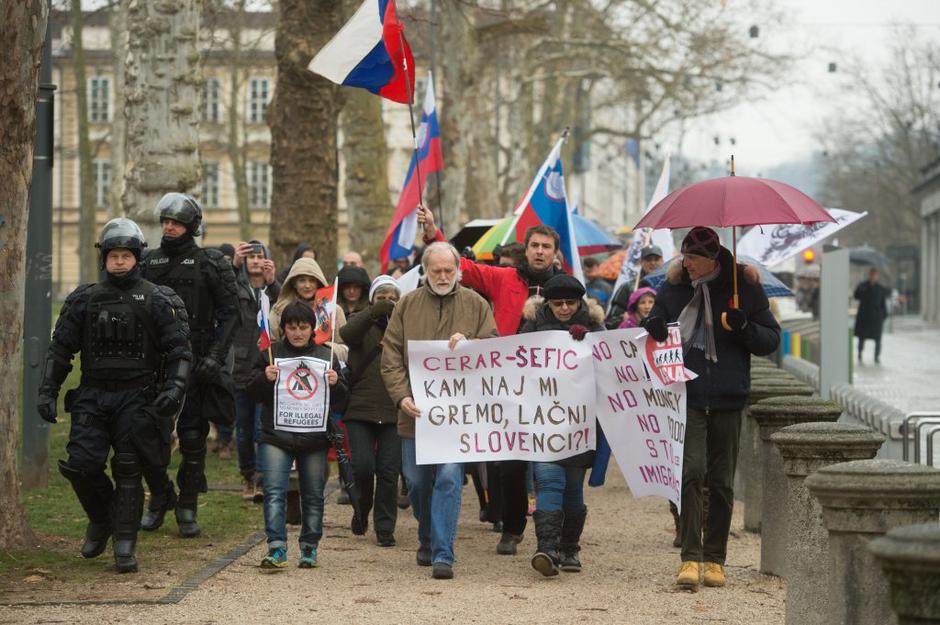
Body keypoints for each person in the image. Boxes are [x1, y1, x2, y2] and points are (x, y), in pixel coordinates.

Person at [37, 218, 192, 572]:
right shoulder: (84, 299)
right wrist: (48, 390)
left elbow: (180, 351)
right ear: (103, 258)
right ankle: (102, 518)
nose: (119, 261)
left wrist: (174, 388)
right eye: (113, 255)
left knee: (127, 467)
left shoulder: (157, 299)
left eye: (125, 255)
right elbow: (60, 350)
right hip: (93, 395)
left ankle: (125, 541)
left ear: (137, 257)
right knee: (80, 464)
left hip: (138, 397)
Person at [418, 205, 561, 556]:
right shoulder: (504, 278)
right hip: (507, 387)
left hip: (551, 388)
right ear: (525, 250)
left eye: (546, 246)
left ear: (555, 253)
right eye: (535, 246)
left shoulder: (565, 287)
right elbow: (459, 266)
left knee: (551, 465)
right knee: (510, 464)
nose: (540, 251)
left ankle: (555, 536)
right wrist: (435, 233)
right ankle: (512, 528)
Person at [643, 227, 780, 591]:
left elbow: (771, 340)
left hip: (729, 395)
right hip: (685, 393)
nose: (684, 263)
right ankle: (689, 555)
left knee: (720, 481)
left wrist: (744, 328)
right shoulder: (673, 289)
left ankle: (715, 558)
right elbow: (654, 328)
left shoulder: (744, 289)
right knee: (691, 472)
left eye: (692, 258)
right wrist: (654, 327)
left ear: (711, 260)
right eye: (684, 256)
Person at [381, 242, 499, 580]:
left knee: (448, 478)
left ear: (459, 270)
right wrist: (401, 397)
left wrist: (472, 343)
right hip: (414, 414)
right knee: (417, 484)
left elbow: (494, 349)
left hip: (457, 419)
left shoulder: (476, 304)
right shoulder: (406, 306)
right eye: (437, 271)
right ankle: (427, 535)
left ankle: (443, 554)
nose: (444, 276)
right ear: (426, 271)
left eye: (449, 270)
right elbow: (390, 357)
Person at [140, 193, 239, 538]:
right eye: (166, 221)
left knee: (193, 437)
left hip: (197, 359)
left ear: (191, 227)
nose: (169, 227)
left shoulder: (211, 263)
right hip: (155, 361)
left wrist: (214, 356)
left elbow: (230, 314)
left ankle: (188, 503)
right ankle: (159, 498)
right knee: (149, 437)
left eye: (177, 222)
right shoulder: (146, 262)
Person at [248, 301, 347, 569]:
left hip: (314, 437)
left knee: (313, 494)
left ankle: (309, 547)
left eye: (303, 327)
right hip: (276, 436)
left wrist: (336, 384)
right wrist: (263, 379)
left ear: (312, 329)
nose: (298, 332)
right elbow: (250, 392)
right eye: (292, 327)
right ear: (283, 329)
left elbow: (342, 402)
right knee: (274, 492)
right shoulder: (270, 354)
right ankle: (277, 547)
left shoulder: (327, 356)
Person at [518, 274, 605, 577]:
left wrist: (592, 345)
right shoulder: (531, 327)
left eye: (571, 303)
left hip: (580, 422)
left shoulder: (595, 328)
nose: (565, 308)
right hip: (543, 421)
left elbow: (612, 367)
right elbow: (515, 364)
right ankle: (547, 548)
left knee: (572, 488)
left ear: (580, 302)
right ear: (548, 303)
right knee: (549, 480)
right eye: (558, 304)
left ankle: (570, 548)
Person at [339, 275, 402, 546]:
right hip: (360, 408)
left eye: (392, 298)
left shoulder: (404, 325)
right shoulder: (360, 322)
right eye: (381, 298)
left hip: (394, 407)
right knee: (363, 467)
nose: (387, 303)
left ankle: (385, 526)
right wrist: (372, 313)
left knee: (388, 471)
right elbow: (347, 335)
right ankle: (361, 509)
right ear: (371, 300)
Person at [230, 240, 280, 502]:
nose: (256, 261)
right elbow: (221, 291)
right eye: (251, 257)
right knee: (244, 430)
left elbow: (286, 309)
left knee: (263, 429)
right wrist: (233, 265)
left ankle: (261, 478)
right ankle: (247, 474)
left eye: (261, 256)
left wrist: (272, 284)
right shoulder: (236, 286)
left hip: (266, 369)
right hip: (240, 368)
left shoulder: (273, 290)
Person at [269, 256, 348, 360]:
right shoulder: (279, 310)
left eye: (312, 280)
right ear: (294, 284)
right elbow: (269, 346)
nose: (307, 285)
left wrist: (323, 349)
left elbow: (344, 348)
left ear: (318, 282)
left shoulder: (334, 310)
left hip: (324, 370)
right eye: (302, 281)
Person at [605, 245, 664, 329]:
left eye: (656, 259)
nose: (652, 263)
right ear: (641, 262)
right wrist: (623, 318)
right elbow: (610, 321)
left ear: (662, 261)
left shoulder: (669, 284)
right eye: (648, 259)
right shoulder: (627, 287)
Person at [854, 267, 889, 364]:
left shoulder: (880, 288)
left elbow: (883, 303)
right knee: (862, 338)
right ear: (869, 275)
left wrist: (883, 316)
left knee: (878, 339)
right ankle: (860, 354)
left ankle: (876, 357)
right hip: (864, 317)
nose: (873, 276)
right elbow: (856, 295)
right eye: (871, 274)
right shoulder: (863, 286)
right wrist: (865, 287)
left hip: (876, 318)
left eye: (874, 274)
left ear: (877, 276)